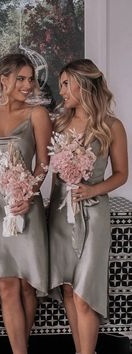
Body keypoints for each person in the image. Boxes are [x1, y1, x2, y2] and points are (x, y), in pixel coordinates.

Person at [48, 58, 128, 354]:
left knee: (84, 293)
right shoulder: (58, 123)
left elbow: (121, 174)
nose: (63, 92)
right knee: (69, 287)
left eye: (67, 85)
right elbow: (49, 170)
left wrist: (93, 188)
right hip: (60, 214)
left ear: (84, 84)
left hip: (94, 214)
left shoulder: (112, 126)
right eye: (61, 86)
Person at [0, 53, 52, 354]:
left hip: (26, 205)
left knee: (27, 284)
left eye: (30, 78)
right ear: (2, 79)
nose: (28, 84)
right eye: (20, 78)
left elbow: (44, 164)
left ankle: (22, 345)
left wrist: (27, 194)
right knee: (6, 285)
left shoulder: (37, 115)